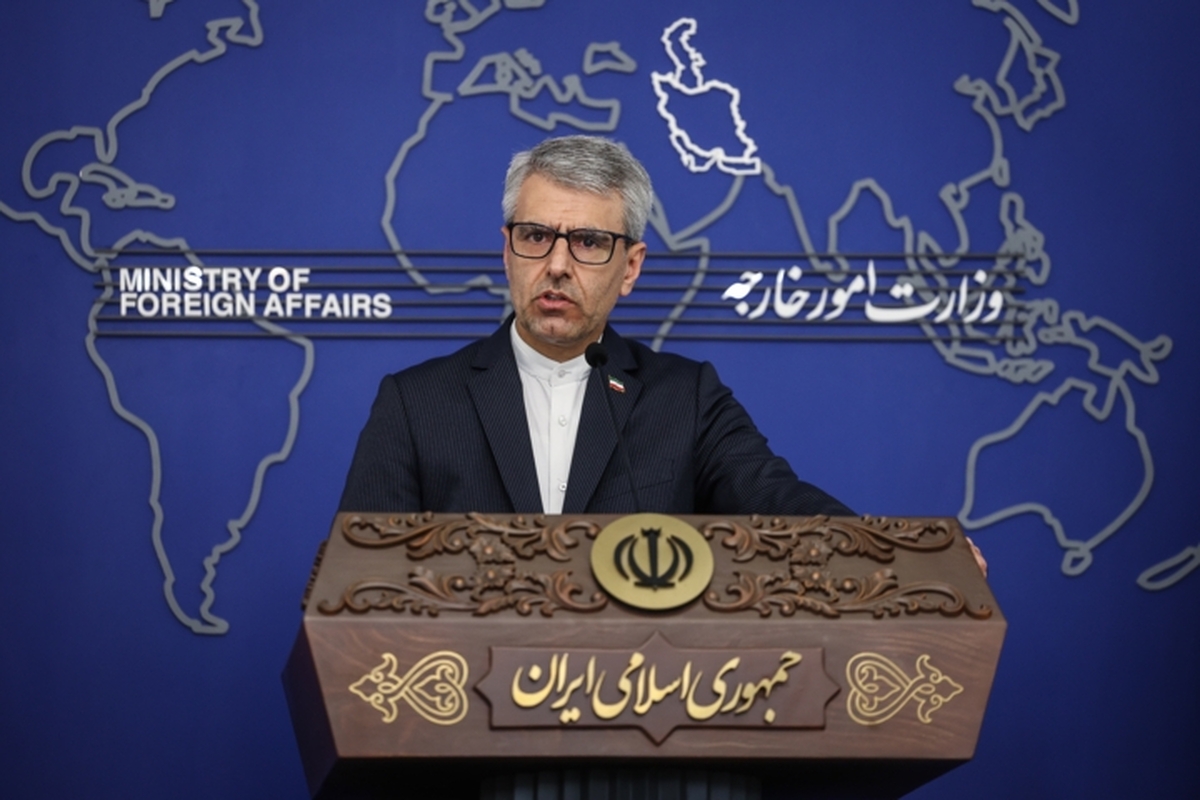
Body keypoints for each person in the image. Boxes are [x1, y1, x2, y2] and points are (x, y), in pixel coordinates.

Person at [338, 135, 852, 517]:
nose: (557, 265)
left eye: (588, 242)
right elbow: (364, 575)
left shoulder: (688, 400)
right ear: (507, 251)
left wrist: (881, 553)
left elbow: (780, 503)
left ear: (630, 267)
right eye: (536, 236)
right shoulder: (415, 405)